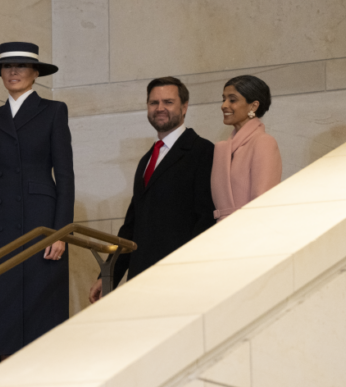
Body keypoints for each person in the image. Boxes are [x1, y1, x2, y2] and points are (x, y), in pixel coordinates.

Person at [0, 42, 74, 362]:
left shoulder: (53, 111)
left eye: (20, 66)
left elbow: (66, 176)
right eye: (7, 66)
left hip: (40, 225)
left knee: (39, 321)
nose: (13, 72)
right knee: (2, 322)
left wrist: (61, 232)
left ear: (35, 73)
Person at [89, 77, 216, 302]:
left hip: (179, 277)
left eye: (168, 102)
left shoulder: (202, 151)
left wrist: (191, 271)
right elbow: (132, 226)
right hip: (141, 278)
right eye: (153, 103)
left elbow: (205, 219)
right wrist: (108, 276)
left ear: (184, 107)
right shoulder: (147, 159)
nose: (160, 108)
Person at [212, 75, 283, 220]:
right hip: (220, 234)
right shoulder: (221, 149)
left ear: (253, 106)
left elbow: (263, 202)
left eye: (232, 100)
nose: (224, 105)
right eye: (223, 99)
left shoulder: (263, 142)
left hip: (250, 232)